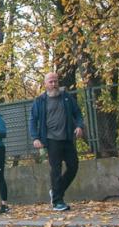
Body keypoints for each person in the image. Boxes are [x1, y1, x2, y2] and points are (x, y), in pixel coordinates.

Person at [29, 72, 85, 211]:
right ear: (45, 84)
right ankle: (57, 201)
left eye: (55, 81)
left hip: (67, 137)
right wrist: (35, 137)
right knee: (56, 169)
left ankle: (56, 192)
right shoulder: (40, 101)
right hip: (51, 139)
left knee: (74, 166)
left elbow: (77, 113)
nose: (53, 84)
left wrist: (79, 126)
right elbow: (32, 120)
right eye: (50, 82)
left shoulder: (66, 97)